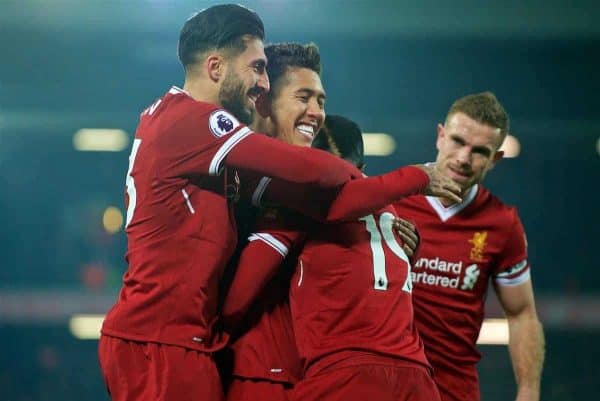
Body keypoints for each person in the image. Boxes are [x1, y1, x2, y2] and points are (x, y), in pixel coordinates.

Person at [96, 5, 384, 401]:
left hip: (182, 341)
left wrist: (376, 221)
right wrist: (407, 185)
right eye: (257, 68)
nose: (262, 82)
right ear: (216, 68)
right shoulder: (197, 123)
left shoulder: (210, 151)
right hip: (170, 342)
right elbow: (305, 171)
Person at [221, 43, 422, 401]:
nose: (316, 113)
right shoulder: (226, 167)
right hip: (252, 373)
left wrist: (395, 250)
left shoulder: (313, 187)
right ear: (264, 100)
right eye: (303, 97)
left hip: (306, 374)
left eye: (321, 101)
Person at [393, 92, 545, 401]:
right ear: (440, 136)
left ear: (495, 159)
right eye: (458, 141)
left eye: (478, 151)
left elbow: (522, 315)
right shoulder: (390, 198)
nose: (463, 158)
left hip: (452, 391)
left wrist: (529, 393)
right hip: (383, 387)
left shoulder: (502, 224)